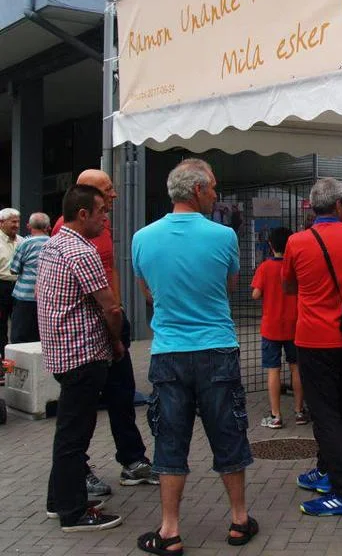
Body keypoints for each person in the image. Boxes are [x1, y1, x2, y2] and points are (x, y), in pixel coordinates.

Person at [132, 159, 257, 553]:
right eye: (213, 187)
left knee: (170, 438)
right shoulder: (224, 236)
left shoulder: (142, 237)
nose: (216, 195)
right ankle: (239, 520)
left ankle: (169, 530)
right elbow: (229, 285)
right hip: (216, 348)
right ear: (198, 190)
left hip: (168, 351)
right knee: (228, 432)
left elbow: (147, 292)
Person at [54, 169, 156, 496]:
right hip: (87, 337)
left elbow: (110, 268)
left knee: (122, 394)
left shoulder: (102, 225)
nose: (114, 194)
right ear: (86, 199)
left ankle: (132, 460)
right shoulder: (69, 233)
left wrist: (118, 308)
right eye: (107, 189)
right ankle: (78, 474)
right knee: (79, 412)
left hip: (111, 320)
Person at [37, 185, 123, 532]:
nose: (106, 217)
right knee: (74, 436)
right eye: (102, 211)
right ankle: (73, 512)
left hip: (62, 352)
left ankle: (58, 500)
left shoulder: (53, 243)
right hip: (83, 354)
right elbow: (110, 307)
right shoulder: (82, 251)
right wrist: (116, 341)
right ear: (83, 213)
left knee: (68, 432)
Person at [283, 177, 342, 517]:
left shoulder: (296, 242)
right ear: (340, 205)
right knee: (338, 409)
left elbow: (289, 285)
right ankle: (324, 470)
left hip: (314, 338)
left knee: (323, 415)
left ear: (313, 206)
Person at [252, 227, 306, 429]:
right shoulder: (296, 267)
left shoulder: (265, 267)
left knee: (273, 370)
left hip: (271, 327)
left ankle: (275, 415)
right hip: (294, 325)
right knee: (296, 367)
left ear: (270, 245)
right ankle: (299, 411)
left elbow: (256, 294)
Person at [9, 212, 51, 343]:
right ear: (48, 227)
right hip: (47, 297)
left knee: (20, 337)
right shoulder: (53, 243)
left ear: (29, 226)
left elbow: (14, 269)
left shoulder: (25, 243)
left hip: (24, 297)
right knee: (41, 337)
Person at [0, 207, 23, 361]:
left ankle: (17, 362)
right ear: (1, 222)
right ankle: (3, 362)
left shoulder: (22, 241)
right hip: (2, 286)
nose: (16, 225)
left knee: (19, 325)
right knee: (1, 326)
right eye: (13, 222)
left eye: (18, 222)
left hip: (19, 286)